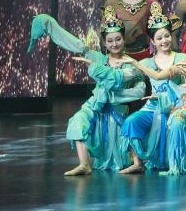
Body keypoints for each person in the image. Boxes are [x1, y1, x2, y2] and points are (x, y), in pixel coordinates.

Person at [27, 12, 146, 175]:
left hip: (117, 109)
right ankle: (84, 164)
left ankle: (136, 161)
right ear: (104, 42)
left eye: (118, 39)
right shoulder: (99, 58)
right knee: (78, 120)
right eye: (110, 41)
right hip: (95, 106)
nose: (114, 44)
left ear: (124, 39)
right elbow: (78, 46)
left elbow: (135, 88)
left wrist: (110, 90)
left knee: (127, 136)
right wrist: (50, 25)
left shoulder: (131, 64)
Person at [126, 23, 186, 176]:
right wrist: (134, 63)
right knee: (175, 122)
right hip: (180, 105)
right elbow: (157, 76)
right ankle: (174, 165)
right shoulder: (185, 64)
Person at [119, 11, 186, 173]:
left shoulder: (181, 58)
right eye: (159, 38)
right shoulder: (146, 62)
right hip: (152, 107)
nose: (164, 41)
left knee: (171, 121)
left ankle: (174, 160)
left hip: (176, 106)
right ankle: (137, 162)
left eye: (167, 36)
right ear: (153, 41)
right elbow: (128, 77)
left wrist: (166, 97)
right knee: (131, 121)